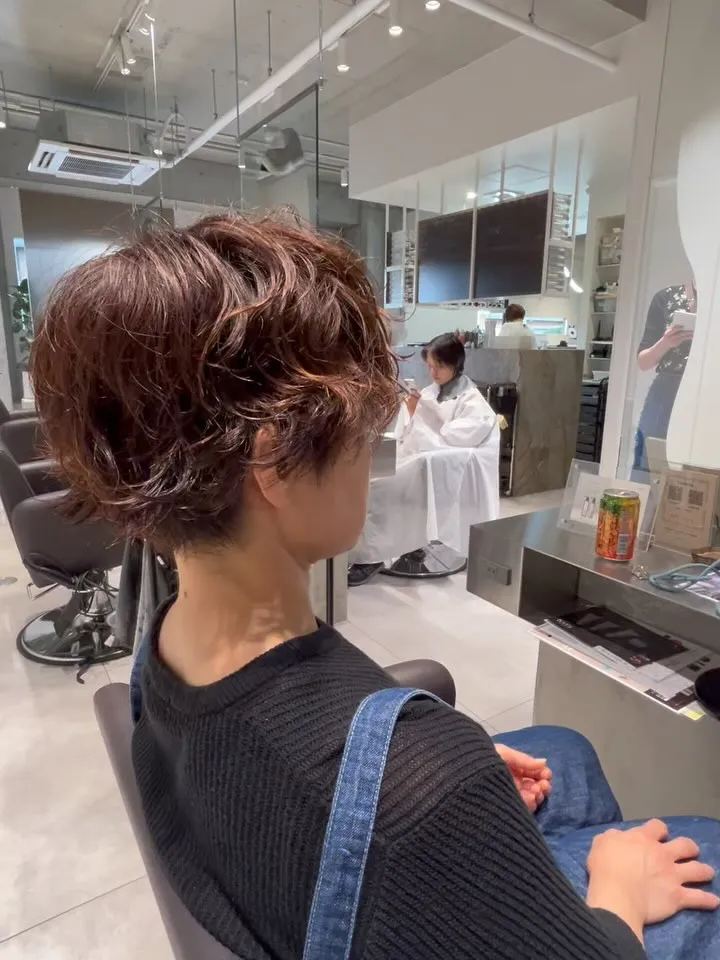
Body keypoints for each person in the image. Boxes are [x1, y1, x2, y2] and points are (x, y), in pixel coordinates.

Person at [31, 213, 720, 960]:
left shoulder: (167, 633)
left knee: (566, 748)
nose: (370, 450)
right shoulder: (427, 790)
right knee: (705, 844)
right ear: (276, 463)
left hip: (291, 867)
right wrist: (618, 890)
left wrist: (424, 781)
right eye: (365, 428)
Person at [348, 332, 499, 586]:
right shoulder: (430, 393)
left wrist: (427, 414)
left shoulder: (473, 402)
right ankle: (389, 546)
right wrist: (412, 410)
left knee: (383, 488)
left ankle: (373, 557)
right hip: (423, 459)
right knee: (372, 477)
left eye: (439, 366)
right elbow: (410, 432)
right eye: (429, 366)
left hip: (447, 466)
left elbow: (459, 437)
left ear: (455, 364)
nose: (433, 373)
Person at [633, 283, 696, 474]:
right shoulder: (666, 297)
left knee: (699, 467)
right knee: (650, 459)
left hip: (709, 391)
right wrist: (666, 342)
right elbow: (643, 362)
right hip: (667, 390)